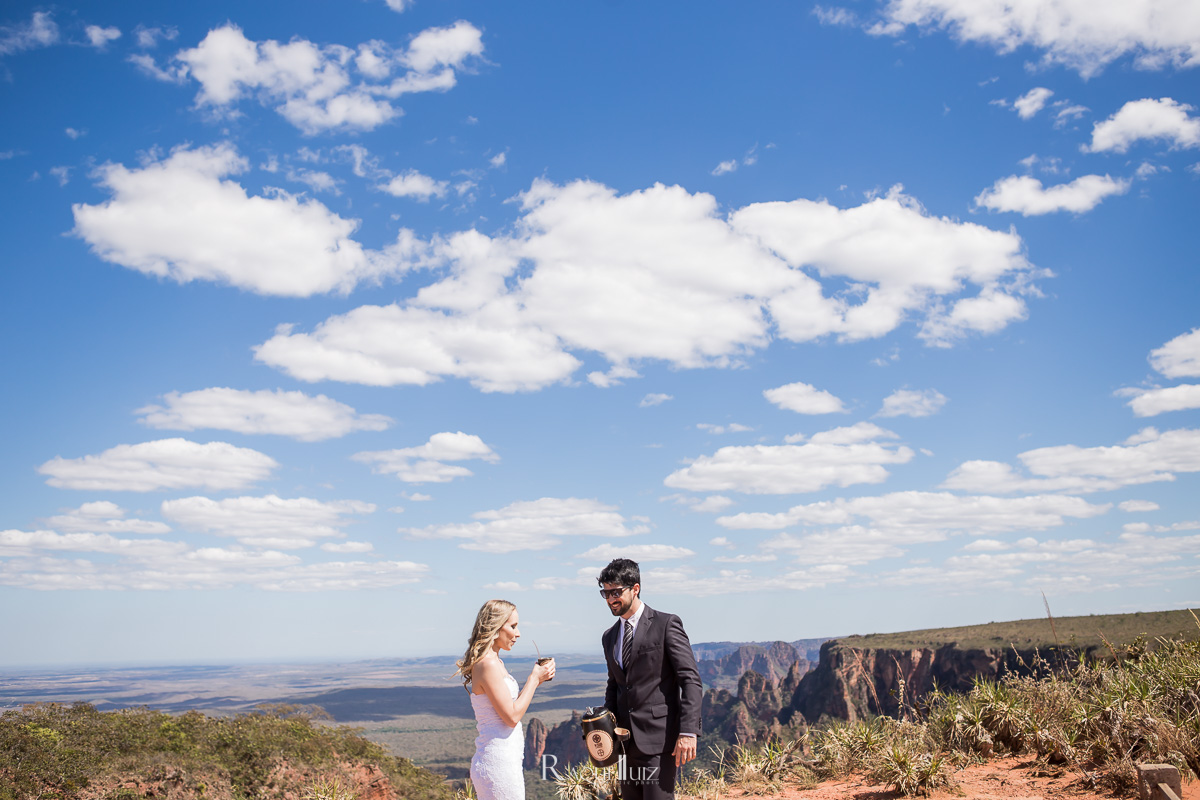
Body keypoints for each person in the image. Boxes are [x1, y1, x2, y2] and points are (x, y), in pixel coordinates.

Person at [599, 559, 702, 800]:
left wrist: (688, 731)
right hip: (624, 744)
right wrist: (604, 728)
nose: (610, 599)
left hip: (659, 741)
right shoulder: (609, 636)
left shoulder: (666, 624)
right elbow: (614, 685)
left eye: (616, 592)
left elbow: (690, 680)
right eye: (605, 593)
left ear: (635, 588)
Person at [456, 599, 556, 800]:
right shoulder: (488, 664)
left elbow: (506, 707)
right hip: (498, 765)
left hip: (504, 762)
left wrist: (539, 680)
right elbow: (511, 717)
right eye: (513, 626)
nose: (518, 634)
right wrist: (533, 679)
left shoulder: (495, 662)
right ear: (495, 627)